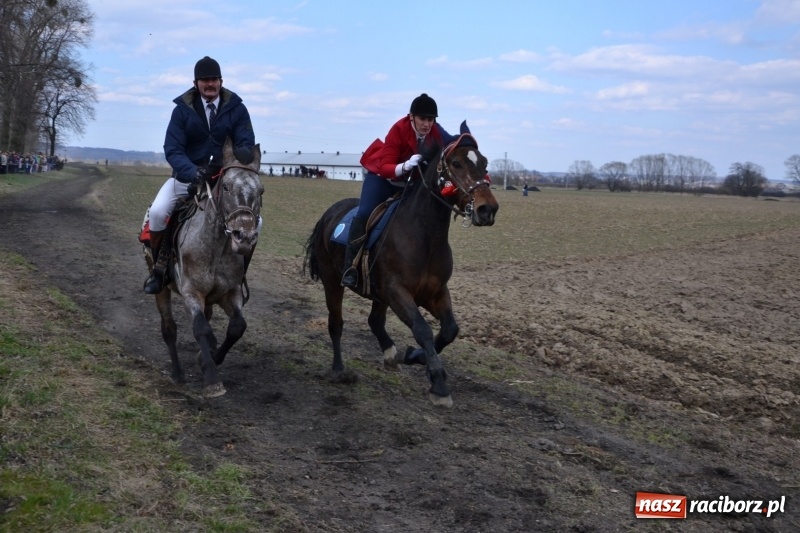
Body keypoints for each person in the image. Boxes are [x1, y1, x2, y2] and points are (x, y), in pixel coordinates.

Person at [143, 56, 256, 294]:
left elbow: (246, 142)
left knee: (257, 222)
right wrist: (192, 171)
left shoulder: (237, 109)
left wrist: (231, 161)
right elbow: (172, 149)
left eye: (213, 79)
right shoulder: (182, 111)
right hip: (187, 178)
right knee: (157, 212)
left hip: (223, 181)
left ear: (221, 81)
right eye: (204, 80)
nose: (210, 84)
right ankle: (159, 269)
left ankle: (239, 274)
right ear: (196, 83)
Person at [341, 93, 449, 288]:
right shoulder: (398, 129)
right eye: (422, 119)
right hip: (383, 178)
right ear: (411, 117)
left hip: (410, 184)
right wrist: (406, 165)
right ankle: (350, 266)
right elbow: (385, 168)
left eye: (430, 119)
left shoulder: (436, 134)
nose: (426, 124)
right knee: (365, 212)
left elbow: (453, 146)